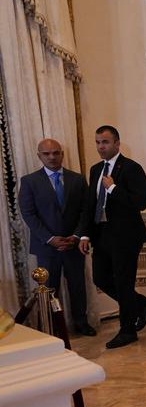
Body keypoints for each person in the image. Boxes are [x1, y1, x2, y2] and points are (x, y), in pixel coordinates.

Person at [78, 126, 146, 349]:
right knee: (101, 279)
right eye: (98, 142)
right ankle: (141, 304)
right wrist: (84, 234)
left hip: (126, 237)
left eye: (105, 142)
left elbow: (141, 202)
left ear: (117, 144)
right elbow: (90, 206)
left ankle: (128, 331)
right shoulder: (94, 170)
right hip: (101, 235)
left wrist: (113, 189)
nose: (101, 147)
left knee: (123, 283)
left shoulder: (131, 168)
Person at [18, 138, 96, 336]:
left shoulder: (77, 179)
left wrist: (77, 235)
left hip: (73, 245)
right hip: (47, 247)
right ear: (39, 156)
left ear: (62, 154)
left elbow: (85, 210)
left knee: (77, 286)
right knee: (50, 289)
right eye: (46, 154)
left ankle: (81, 322)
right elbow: (28, 214)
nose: (52, 157)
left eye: (56, 153)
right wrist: (50, 239)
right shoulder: (29, 181)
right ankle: (52, 328)